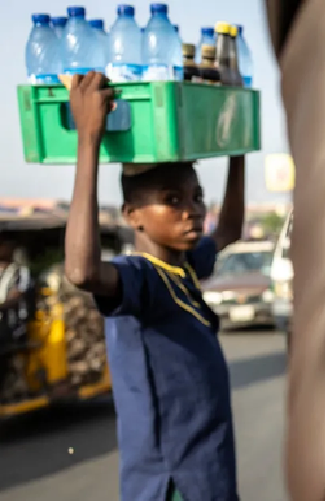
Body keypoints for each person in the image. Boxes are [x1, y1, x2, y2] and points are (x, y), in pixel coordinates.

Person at [64, 72, 244, 501]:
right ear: (132, 215)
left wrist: (238, 140)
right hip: (173, 485)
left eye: (196, 197)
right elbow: (83, 272)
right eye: (172, 200)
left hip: (211, 477)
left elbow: (229, 229)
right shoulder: (140, 278)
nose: (192, 210)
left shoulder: (183, 266)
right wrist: (88, 140)